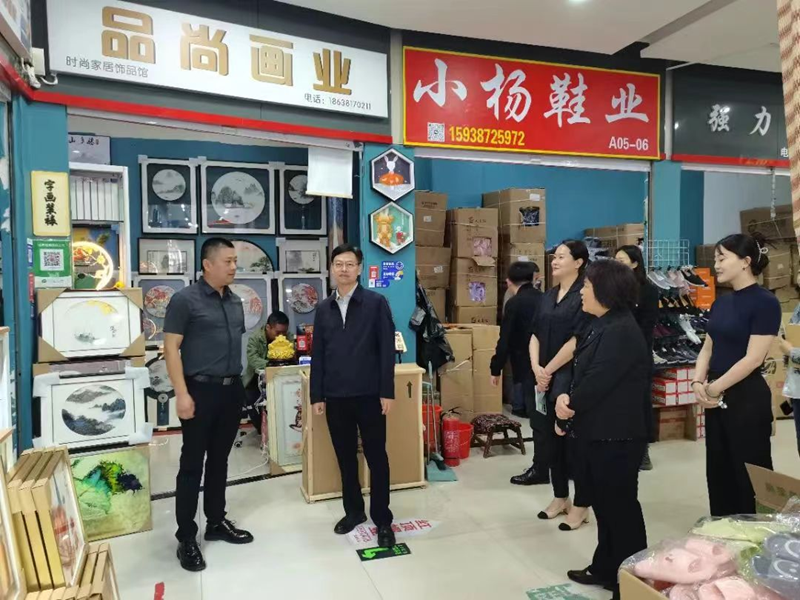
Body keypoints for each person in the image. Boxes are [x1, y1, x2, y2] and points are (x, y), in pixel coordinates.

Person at [556, 260, 650, 599]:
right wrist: (566, 397)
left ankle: (632, 583)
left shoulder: (621, 330)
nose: (582, 291)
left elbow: (598, 381)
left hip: (617, 435)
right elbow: (583, 372)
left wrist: (567, 406)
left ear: (605, 290)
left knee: (621, 510)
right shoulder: (602, 323)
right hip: (597, 432)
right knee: (604, 507)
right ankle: (606, 567)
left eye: (586, 285)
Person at [164, 238, 254, 573]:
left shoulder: (235, 301)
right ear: (207, 264)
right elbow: (171, 349)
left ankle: (216, 521)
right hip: (199, 390)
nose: (233, 267)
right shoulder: (184, 300)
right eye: (227, 261)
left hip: (230, 391)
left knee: (220, 460)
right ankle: (186, 536)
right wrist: (182, 393)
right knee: (192, 464)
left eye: (235, 261)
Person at [310, 244, 397, 548]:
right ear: (331, 268)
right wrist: (317, 395)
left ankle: (383, 519)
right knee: (345, 458)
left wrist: (387, 391)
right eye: (338, 264)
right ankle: (354, 511)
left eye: (349, 264)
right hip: (336, 397)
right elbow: (318, 354)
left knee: (377, 457)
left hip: (370, 395)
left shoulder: (375, 303)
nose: (343, 269)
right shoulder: (324, 308)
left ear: (359, 268)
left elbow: (387, 350)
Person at [693, 233, 779, 517]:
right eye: (716, 258)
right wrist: (697, 382)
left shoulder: (765, 302)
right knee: (718, 468)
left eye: (722, 258)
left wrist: (714, 388)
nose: (716, 265)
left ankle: (755, 532)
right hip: (716, 395)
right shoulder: (721, 302)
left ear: (745, 262)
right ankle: (723, 528)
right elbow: (708, 348)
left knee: (749, 470)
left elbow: (753, 358)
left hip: (746, 396)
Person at [512, 240, 592, 532]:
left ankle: (582, 504)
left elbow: (578, 339)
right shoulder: (547, 295)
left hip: (568, 375)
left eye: (561, 257)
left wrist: (549, 369)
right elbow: (534, 334)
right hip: (542, 376)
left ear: (579, 262)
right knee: (548, 439)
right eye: (554, 257)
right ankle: (560, 497)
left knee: (572, 442)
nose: (555, 261)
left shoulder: (584, 295)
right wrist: (536, 367)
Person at [616, 245, 660, 471]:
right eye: (615, 260)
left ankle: (643, 451)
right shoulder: (612, 288)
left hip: (638, 356)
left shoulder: (648, 290)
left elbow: (646, 326)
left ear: (634, 263)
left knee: (639, 403)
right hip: (612, 354)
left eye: (622, 260)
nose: (617, 264)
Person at [490, 261, 543, 418]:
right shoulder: (545, 298)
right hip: (546, 360)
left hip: (522, 360)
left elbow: (505, 338)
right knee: (541, 407)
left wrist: (496, 368)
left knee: (530, 400)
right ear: (532, 279)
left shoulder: (514, 303)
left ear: (508, 281)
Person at [243, 311, 291, 432]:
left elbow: (291, 355)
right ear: (268, 327)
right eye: (278, 333)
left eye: (284, 332)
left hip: (279, 379)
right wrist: (272, 364)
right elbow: (253, 359)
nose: (281, 336)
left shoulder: (288, 336)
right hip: (255, 380)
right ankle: (262, 432)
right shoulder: (255, 338)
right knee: (255, 410)